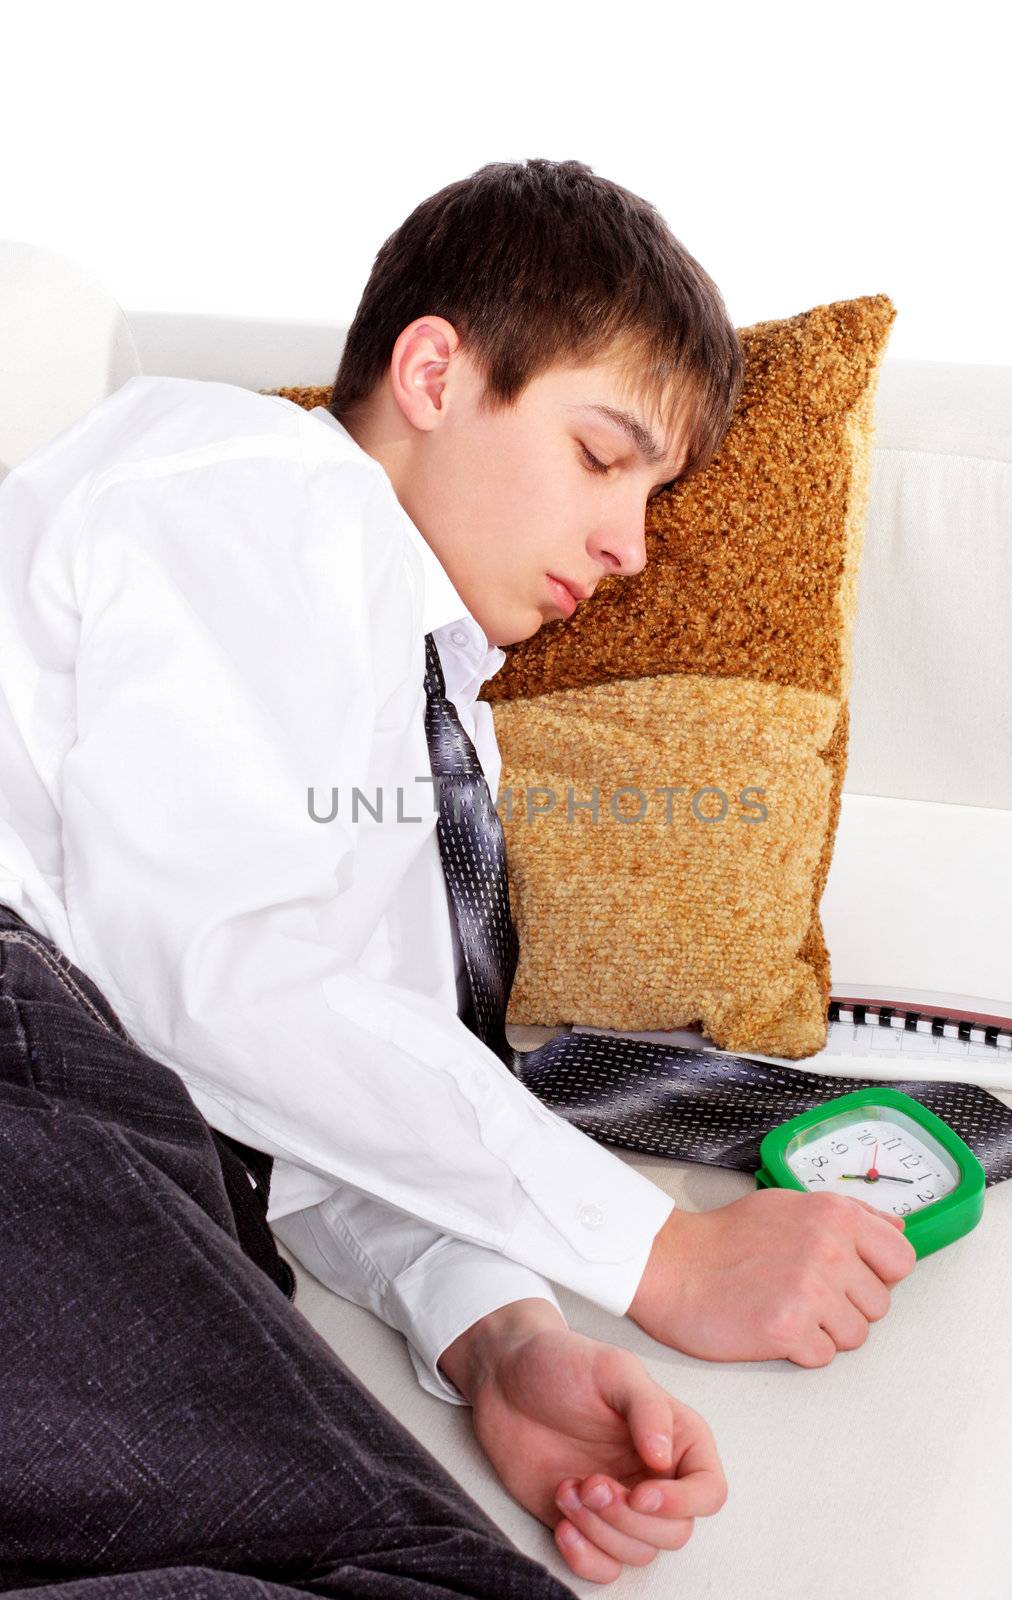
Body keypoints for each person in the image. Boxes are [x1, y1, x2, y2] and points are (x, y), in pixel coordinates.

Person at [0, 156, 915, 1590]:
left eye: (656, 497)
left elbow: (313, 1072)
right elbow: (216, 977)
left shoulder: (424, 735)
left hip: (127, 1137)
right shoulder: (264, 486)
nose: (628, 546)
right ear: (431, 371)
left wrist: (499, 1339)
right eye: (604, 457)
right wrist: (656, 1259)